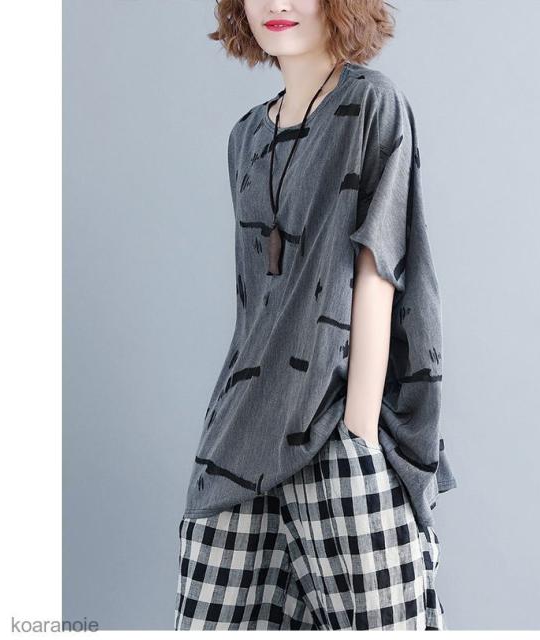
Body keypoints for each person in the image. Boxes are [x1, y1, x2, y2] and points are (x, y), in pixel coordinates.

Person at [174, 0, 458, 630]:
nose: (276, 4)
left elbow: (379, 267)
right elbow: (255, 298)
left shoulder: (372, 104)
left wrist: (359, 431)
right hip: (237, 440)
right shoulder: (246, 137)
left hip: (333, 428)